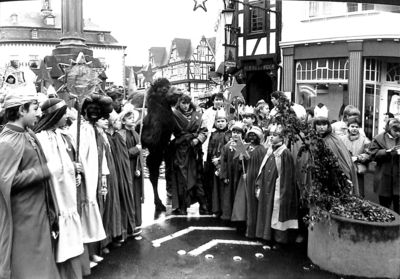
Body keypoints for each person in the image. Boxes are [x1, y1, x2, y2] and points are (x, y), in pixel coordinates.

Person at [0, 87, 60, 279]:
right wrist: (44, 171)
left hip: (38, 212)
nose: (39, 112)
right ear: (21, 110)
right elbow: (8, 181)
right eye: (34, 108)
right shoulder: (7, 142)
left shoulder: (28, 134)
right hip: (23, 218)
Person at [34, 98, 85, 279]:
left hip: (67, 189)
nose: (66, 117)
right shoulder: (39, 139)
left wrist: (74, 167)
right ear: (54, 116)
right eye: (63, 114)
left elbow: (64, 162)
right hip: (54, 189)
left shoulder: (61, 135)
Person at [255, 124, 298, 247]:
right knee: (267, 210)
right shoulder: (270, 150)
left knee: (278, 212)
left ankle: (278, 240)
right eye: (270, 135)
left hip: (277, 188)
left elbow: (287, 175)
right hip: (267, 187)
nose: (271, 137)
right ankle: (266, 236)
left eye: (275, 135)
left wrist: (283, 192)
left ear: (282, 138)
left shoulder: (285, 153)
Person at [170, 94, 208, 215]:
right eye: (182, 103)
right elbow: (169, 133)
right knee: (182, 178)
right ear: (178, 103)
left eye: (187, 103)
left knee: (198, 178)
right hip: (180, 151)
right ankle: (182, 206)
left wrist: (198, 140)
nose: (185, 106)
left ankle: (203, 205)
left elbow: (204, 131)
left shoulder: (197, 115)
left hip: (194, 150)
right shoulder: (174, 115)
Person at [313, 116, 359, 196]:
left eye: (324, 124)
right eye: (319, 124)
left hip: (336, 175)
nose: (321, 127)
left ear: (328, 125)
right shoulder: (312, 139)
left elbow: (343, 157)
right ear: (314, 126)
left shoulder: (334, 138)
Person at [95, 117, 122, 253]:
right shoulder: (96, 136)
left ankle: (109, 237)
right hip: (102, 174)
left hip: (110, 172)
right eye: (102, 118)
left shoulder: (104, 135)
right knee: (103, 206)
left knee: (111, 204)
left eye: (106, 118)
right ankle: (102, 243)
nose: (105, 121)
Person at [119, 109, 143, 235]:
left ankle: (137, 224)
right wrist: (136, 149)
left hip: (135, 170)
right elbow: (123, 155)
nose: (132, 119)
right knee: (129, 197)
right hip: (127, 170)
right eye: (129, 118)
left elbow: (140, 155)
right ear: (123, 121)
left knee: (136, 197)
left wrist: (138, 168)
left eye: (133, 117)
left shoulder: (135, 133)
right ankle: (128, 226)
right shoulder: (121, 135)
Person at [368, 118, 400, 213]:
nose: (398, 133)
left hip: (398, 178)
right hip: (384, 176)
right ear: (389, 129)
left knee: (398, 204)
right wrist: (387, 152)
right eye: (395, 131)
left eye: (399, 131)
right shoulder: (379, 138)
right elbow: (372, 154)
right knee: (385, 206)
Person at [204, 108, 231, 216]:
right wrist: (212, 160)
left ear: (226, 122)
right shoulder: (213, 134)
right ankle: (214, 207)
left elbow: (228, 150)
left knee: (223, 187)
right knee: (213, 187)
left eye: (222, 121)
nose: (220, 124)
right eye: (218, 121)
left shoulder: (228, 134)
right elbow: (210, 149)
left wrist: (220, 160)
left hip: (224, 163)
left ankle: (224, 209)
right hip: (213, 163)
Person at [220, 121, 246, 221]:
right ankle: (228, 215)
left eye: (238, 132)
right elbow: (224, 161)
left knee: (238, 196)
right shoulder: (227, 146)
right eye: (234, 132)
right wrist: (225, 175)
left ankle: (238, 216)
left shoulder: (244, 146)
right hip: (230, 175)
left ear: (242, 134)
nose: (235, 134)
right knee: (228, 195)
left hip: (239, 175)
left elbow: (246, 161)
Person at [339, 117, 371, 198]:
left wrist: (358, 157)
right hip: (344, 169)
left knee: (359, 193)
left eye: (357, 127)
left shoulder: (365, 140)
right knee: (345, 193)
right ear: (348, 127)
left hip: (358, 170)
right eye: (352, 126)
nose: (354, 129)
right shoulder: (341, 139)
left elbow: (369, 154)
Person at [201, 92, 225, 162]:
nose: (218, 101)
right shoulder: (207, 112)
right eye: (217, 99)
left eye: (220, 100)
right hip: (210, 136)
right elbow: (203, 125)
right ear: (213, 101)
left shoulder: (225, 111)